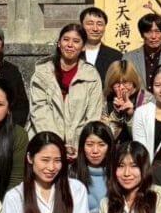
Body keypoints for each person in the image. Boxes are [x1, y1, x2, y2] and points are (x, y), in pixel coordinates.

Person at [27, 23, 104, 161]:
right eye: (66, 39)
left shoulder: (91, 75)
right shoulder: (42, 73)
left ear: (83, 47)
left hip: (78, 147)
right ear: (59, 43)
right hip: (44, 141)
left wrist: (77, 145)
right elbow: (39, 113)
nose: (70, 45)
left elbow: (92, 116)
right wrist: (57, 145)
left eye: (76, 41)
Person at [122, 13, 161, 89]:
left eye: (157, 31)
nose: (153, 36)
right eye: (148, 32)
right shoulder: (129, 58)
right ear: (142, 34)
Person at [71, 121, 115, 213]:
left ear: (109, 147)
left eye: (101, 145)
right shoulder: (72, 174)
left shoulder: (118, 173)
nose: (95, 151)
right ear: (82, 146)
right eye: (89, 145)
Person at [101, 59, 150, 142]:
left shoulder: (146, 100)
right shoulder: (105, 99)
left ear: (134, 82)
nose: (121, 87)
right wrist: (116, 114)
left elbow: (142, 139)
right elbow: (105, 139)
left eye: (126, 82)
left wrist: (131, 114)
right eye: (117, 83)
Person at [80, 6, 123, 82]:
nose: (95, 29)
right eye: (90, 23)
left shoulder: (116, 56)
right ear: (82, 26)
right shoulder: (74, 53)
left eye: (99, 24)